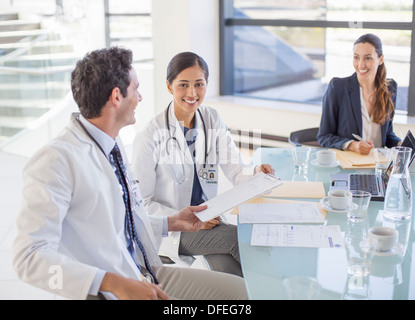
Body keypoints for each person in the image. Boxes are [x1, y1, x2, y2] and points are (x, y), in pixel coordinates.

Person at [12, 47, 248, 300]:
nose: (141, 97)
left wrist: (172, 222)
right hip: (111, 287)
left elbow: (122, 220)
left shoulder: (111, 145)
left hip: (144, 270)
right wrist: (112, 283)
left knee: (242, 293)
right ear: (117, 96)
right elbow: (28, 259)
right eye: (136, 89)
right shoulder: (57, 160)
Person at [132, 51, 274, 277]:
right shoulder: (150, 136)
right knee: (241, 240)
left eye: (199, 84)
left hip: (209, 220)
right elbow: (143, 205)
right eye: (183, 85)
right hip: (173, 229)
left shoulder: (212, 119)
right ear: (169, 87)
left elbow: (236, 169)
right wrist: (186, 217)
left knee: (229, 274)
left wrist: (256, 171)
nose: (192, 93)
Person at [317, 33, 401, 155]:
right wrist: (352, 145)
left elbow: (387, 134)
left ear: (380, 59)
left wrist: (399, 144)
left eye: (368, 58)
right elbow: (324, 136)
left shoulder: (390, 88)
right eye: (356, 57)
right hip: (348, 166)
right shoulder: (338, 87)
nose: (360, 65)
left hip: (378, 166)